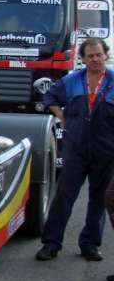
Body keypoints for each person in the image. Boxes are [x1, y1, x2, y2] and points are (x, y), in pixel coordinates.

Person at [36, 37, 114, 261]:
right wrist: (60, 115)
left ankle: (90, 244)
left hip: (106, 151)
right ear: (83, 59)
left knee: (98, 200)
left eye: (99, 55)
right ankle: (51, 243)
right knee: (64, 196)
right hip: (76, 149)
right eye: (91, 56)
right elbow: (49, 96)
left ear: (105, 55)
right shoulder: (72, 80)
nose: (96, 59)